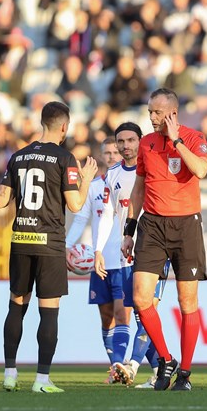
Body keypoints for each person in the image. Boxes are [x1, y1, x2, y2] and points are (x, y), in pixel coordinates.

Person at [0, 101, 97, 393]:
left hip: (21, 240)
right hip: (49, 243)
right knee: (48, 311)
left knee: (17, 305)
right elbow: (76, 204)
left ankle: (10, 373)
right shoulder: (66, 158)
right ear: (64, 126)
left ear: (42, 123)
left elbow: (0, 201)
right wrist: (86, 180)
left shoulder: (18, 156)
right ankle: (41, 379)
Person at [121, 88, 207, 391]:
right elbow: (139, 188)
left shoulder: (195, 138)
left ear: (172, 112)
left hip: (186, 225)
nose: (152, 117)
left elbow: (201, 169)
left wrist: (176, 141)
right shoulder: (145, 144)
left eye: (157, 112)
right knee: (141, 297)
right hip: (153, 226)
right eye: (149, 112)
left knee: (187, 301)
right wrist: (128, 230)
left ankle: (184, 373)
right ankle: (165, 359)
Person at [94, 122, 167, 387]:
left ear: (141, 140)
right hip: (127, 252)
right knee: (140, 313)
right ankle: (163, 368)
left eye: (131, 140)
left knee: (147, 308)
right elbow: (108, 215)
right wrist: (98, 249)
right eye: (121, 141)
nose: (126, 146)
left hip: (156, 247)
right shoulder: (112, 174)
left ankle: (133, 366)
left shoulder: (153, 166)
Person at [65, 137, 126, 381]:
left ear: (122, 153)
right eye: (107, 153)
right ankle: (116, 368)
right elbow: (81, 219)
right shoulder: (94, 186)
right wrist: (66, 247)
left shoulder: (128, 184)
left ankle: (125, 364)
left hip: (123, 261)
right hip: (99, 262)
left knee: (124, 315)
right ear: (101, 156)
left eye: (115, 152)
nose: (111, 156)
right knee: (106, 316)